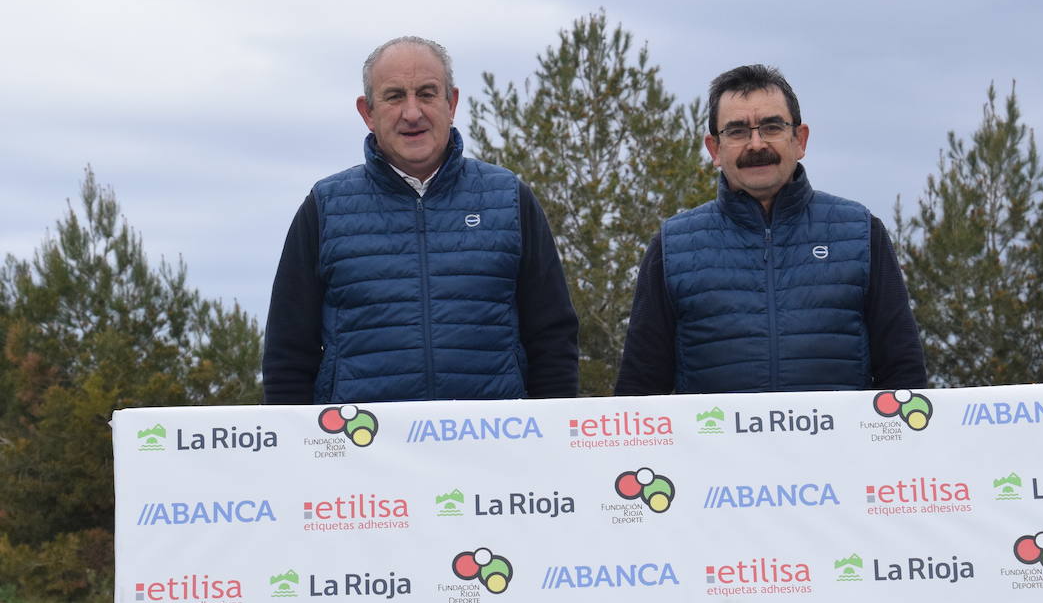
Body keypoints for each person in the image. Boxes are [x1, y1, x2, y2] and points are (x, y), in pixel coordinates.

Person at [264, 36, 578, 403]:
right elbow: (287, 355)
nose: (412, 113)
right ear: (368, 112)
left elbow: (553, 340)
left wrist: (548, 440)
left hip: (496, 447)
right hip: (361, 450)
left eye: (427, 93)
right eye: (395, 96)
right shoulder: (324, 208)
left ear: (452, 103)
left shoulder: (508, 199)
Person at [614, 64, 926, 395]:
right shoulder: (673, 246)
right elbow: (640, 391)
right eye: (736, 131)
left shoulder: (861, 233)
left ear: (800, 139)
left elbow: (903, 373)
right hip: (715, 449)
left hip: (842, 448)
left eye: (772, 127)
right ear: (714, 149)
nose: (756, 144)